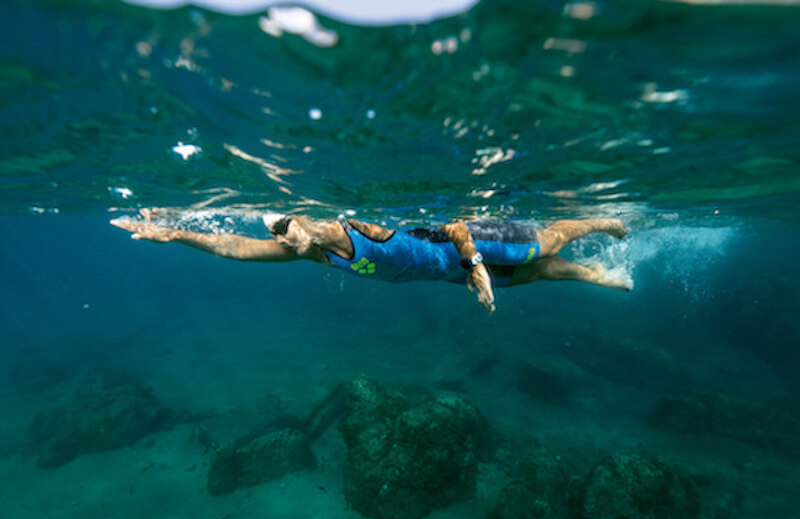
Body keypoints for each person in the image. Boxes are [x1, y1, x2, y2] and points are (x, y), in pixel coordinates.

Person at [111, 209, 631, 313]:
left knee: (547, 245)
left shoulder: (353, 229)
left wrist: (473, 266)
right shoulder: (308, 252)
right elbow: (235, 249)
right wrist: (176, 234)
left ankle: (597, 220)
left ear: (304, 218)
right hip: (450, 273)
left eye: (285, 228)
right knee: (537, 276)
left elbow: (453, 227)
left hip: (465, 249)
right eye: (274, 233)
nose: (281, 239)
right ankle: (593, 275)